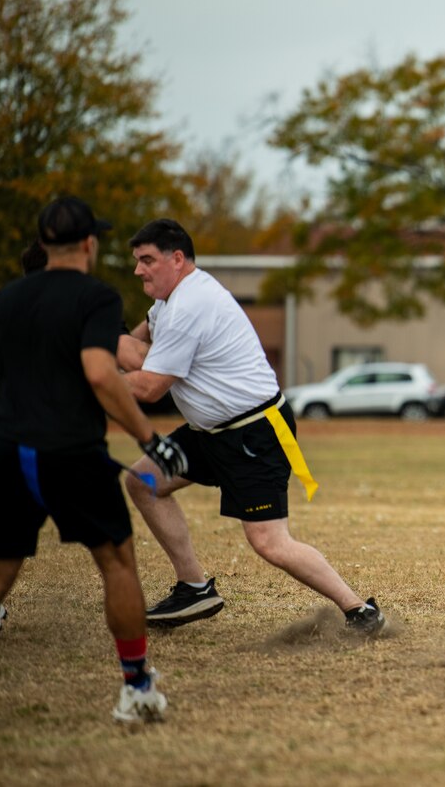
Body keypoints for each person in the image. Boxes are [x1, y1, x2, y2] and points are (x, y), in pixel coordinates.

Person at [117, 219, 385, 635]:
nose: (139, 270)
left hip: (254, 432)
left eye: (146, 260)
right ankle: (193, 587)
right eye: (137, 261)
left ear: (176, 258)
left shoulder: (192, 302)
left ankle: (359, 611)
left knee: (270, 543)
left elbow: (150, 385)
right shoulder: (170, 300)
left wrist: (95, 370)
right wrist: (103, 346)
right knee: (144, 481)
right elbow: (141, 339)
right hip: (211, 431)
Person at [0, 196, 187, 723]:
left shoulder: (7, 299)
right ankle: (138, 688)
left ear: (42, 244)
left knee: (1, 569)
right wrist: (150, 439)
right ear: (88, 243)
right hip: (70, 454)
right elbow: (102, 374)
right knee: (117, 564)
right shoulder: (95, 297)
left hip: (10, 451)